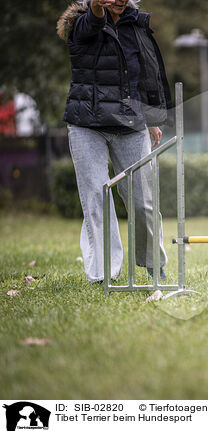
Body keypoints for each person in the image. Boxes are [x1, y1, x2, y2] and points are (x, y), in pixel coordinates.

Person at [57, 0, 172, 283]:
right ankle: (103, 272)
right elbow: (94, 20)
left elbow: (147, 73)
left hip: (131, 123)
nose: (119, 1)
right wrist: (97, 7)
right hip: (86, 125)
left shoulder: (137, 24)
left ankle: (153, 263)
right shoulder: (82, 23)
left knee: (142, 201)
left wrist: (153, 117)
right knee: (96, 199)